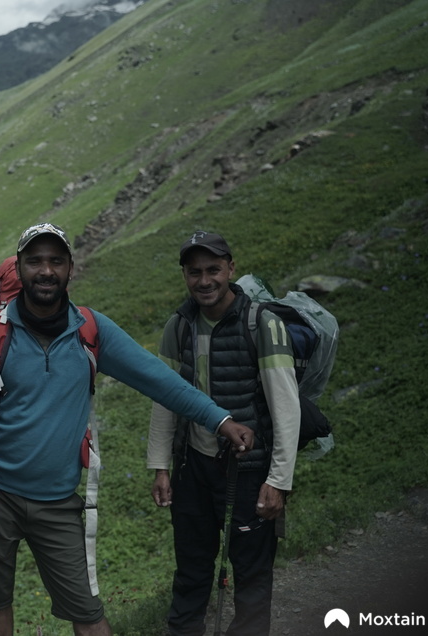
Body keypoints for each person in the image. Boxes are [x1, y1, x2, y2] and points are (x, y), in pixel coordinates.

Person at [0, 223, 254, 636]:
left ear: (70, 269)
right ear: (21, 267)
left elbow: (159, 379)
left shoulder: (90, 330)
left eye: (56, 261)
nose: (46, 271)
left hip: (57, 502)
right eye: (35, 261)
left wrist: (220, 420)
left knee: (87, 608)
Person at [147, 231, 301, 636]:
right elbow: (164, 400)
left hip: (249, 471)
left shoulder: (262, 324)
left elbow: (286, 408)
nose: (204, 280)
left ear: (231, 269)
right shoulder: (178, 327)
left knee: (251, 574)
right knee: (192, 570)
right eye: (194, 272)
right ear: (184, 275)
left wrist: (279, 480)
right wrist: (161, 466)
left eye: (213, 270)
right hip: (194, 468)